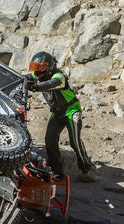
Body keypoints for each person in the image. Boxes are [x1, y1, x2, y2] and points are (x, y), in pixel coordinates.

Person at [26, 51, 98, 183]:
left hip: (71, 110)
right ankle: (58, 173)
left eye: (41, 67)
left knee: (74, 142)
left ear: (49, 66)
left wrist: (35, 87)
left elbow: (51, 84)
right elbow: (24, 78)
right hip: (57, 112)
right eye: (36, 67)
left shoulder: (59, 76)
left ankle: (87, 169)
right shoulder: (36, 75)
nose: (37, 71)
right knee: (49, 140)